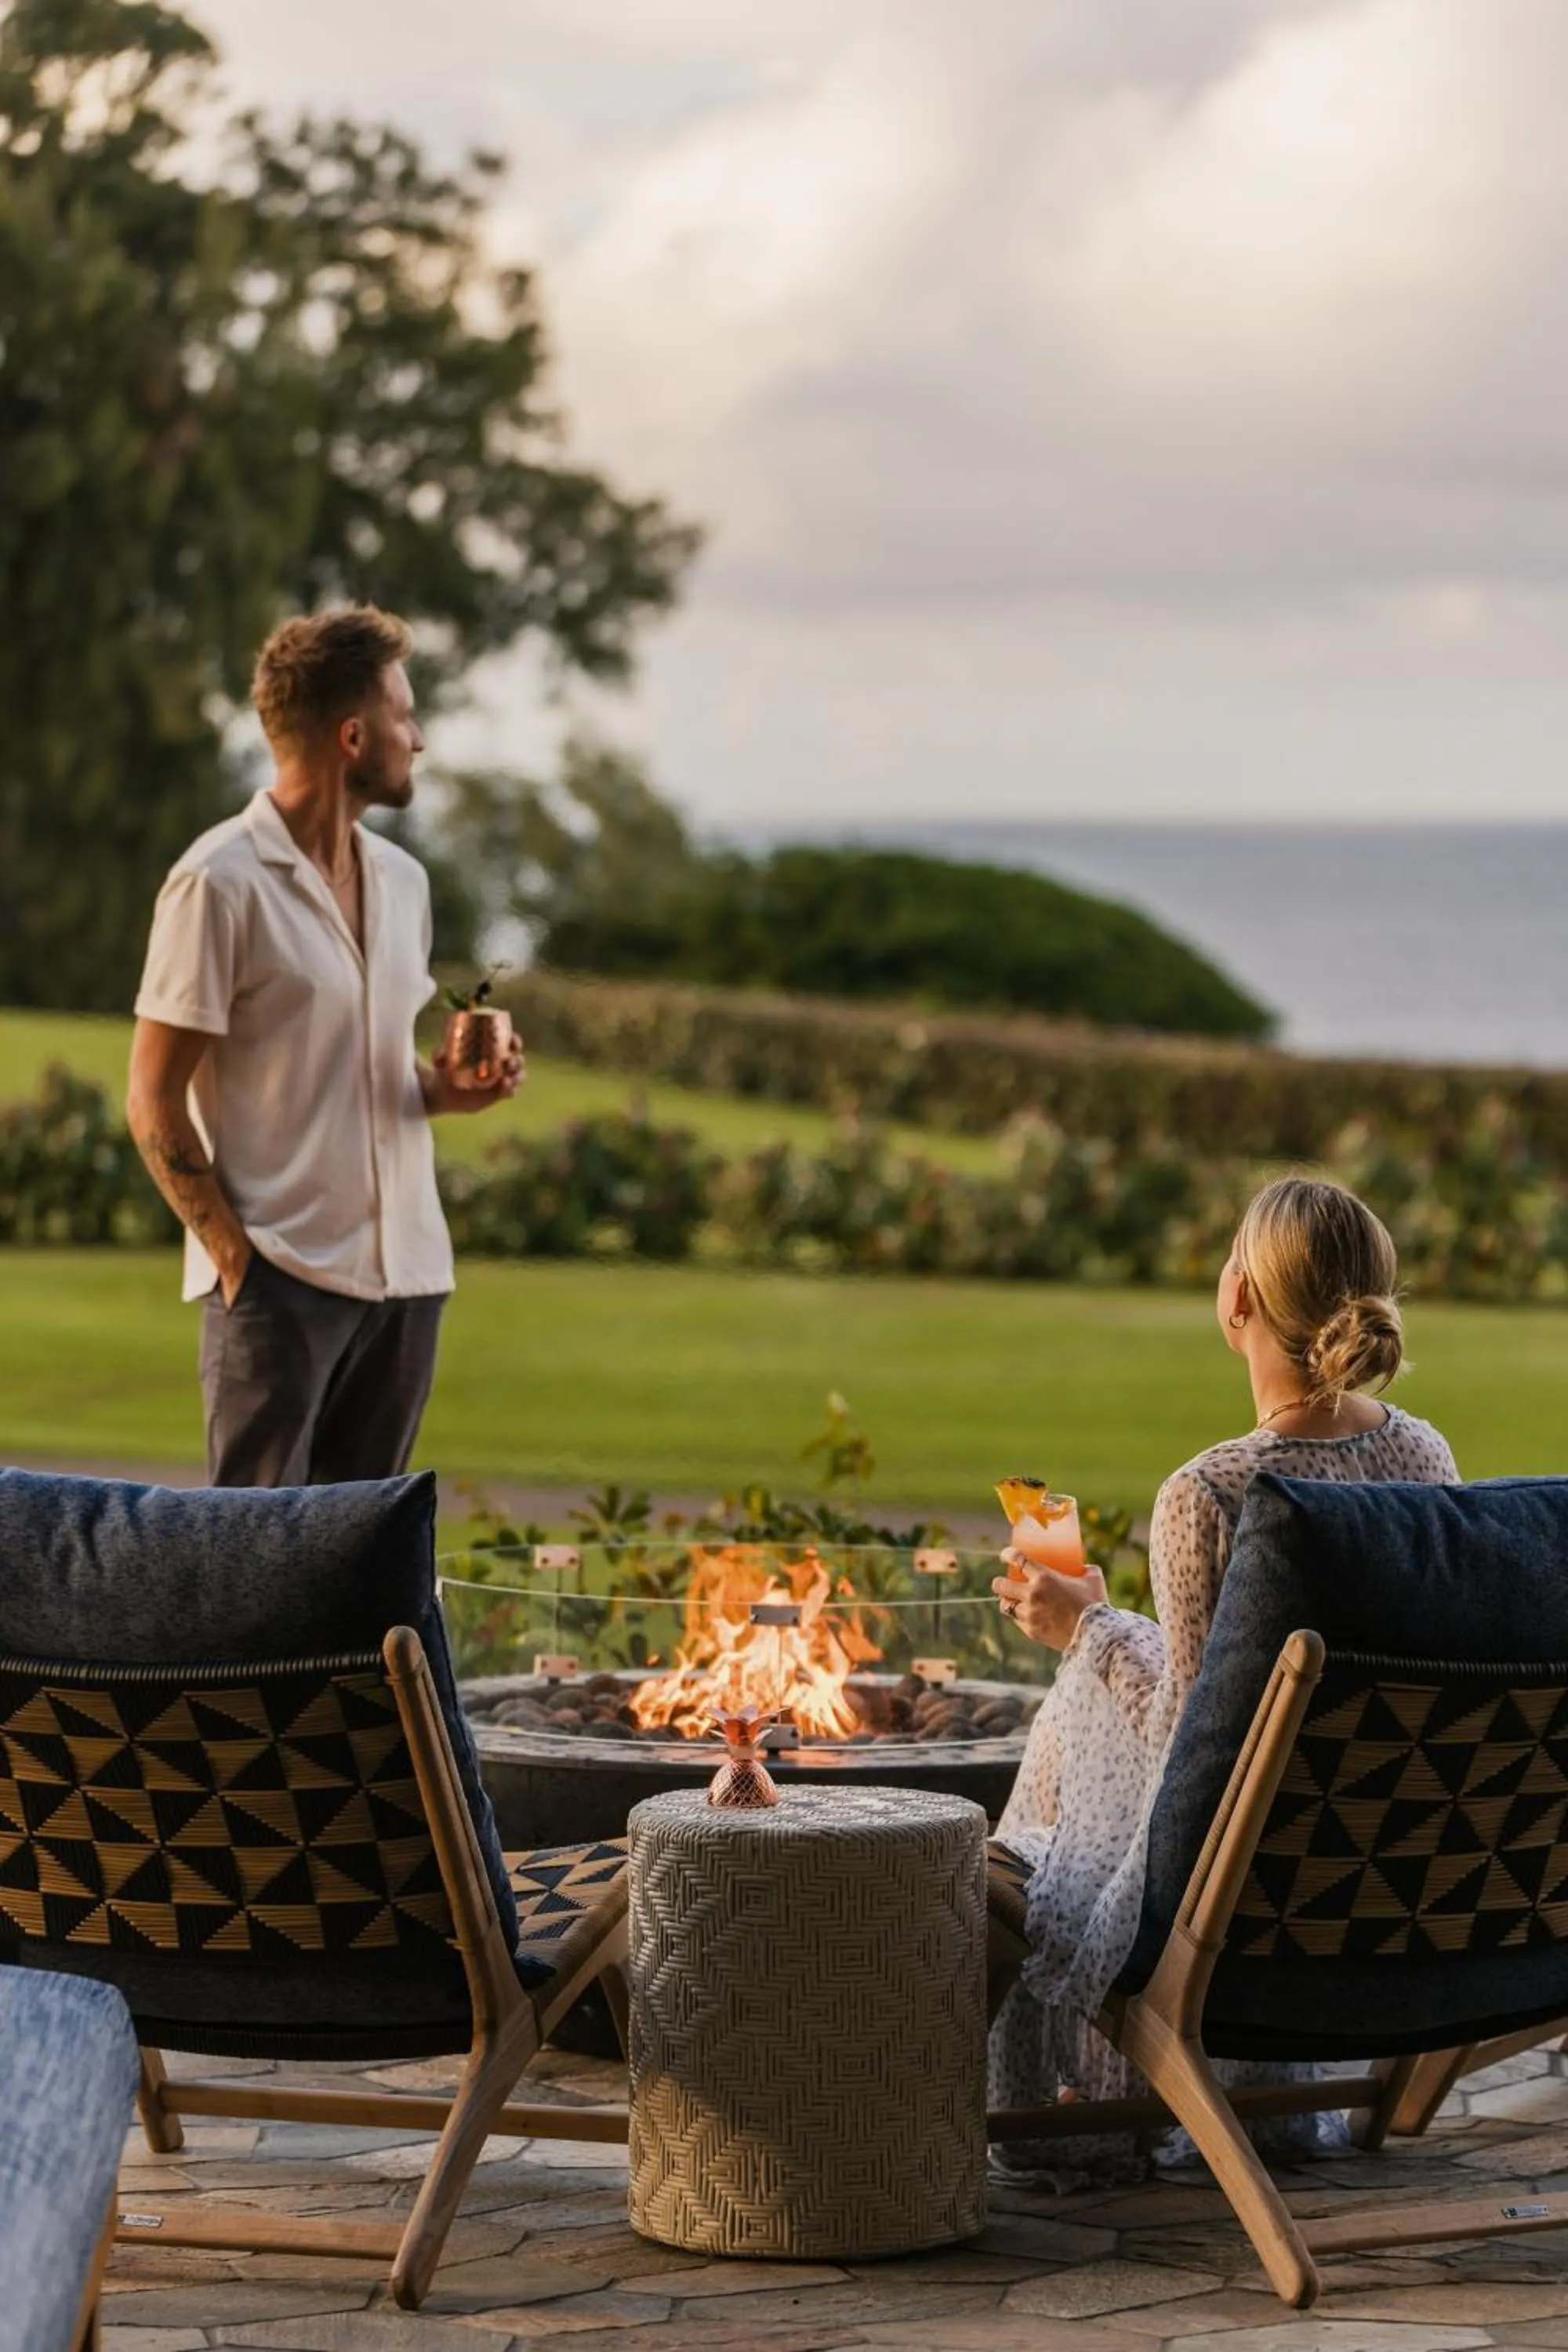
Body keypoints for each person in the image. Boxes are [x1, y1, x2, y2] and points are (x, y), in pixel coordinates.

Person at [988, 1174, 1458, 2176]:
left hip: (1240, 1909)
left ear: (1234, 1298)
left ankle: (1069, 2103)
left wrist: (1089, 1628)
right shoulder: (1422, 1455)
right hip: (1386, 1886)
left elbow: (1185, 1749)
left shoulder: (1210, 1492)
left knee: (1073, 1731)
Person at [127, 604, 521, 1486]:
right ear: (352, 736)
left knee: (362, 1585)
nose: (417, 739)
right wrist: (238, 1265)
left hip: (409, 1281)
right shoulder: (217, 883)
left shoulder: (403, 882)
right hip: (281, 1283)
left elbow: (371, 1072)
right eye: (403, 716)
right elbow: (152, 1097)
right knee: (254, 1578)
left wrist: (450, 1089)